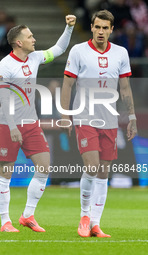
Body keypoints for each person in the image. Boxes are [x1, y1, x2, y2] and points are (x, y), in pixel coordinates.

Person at [0, 15, 76, 232]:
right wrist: (12, 127)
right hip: (7, 124)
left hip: (31, 123)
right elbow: (3, 99)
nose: (34, 39)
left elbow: (58, 49)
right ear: (18, 42)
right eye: (30, 36)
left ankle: (27, 215)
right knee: (6, 172)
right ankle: (5, 222)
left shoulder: (35, 58)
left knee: (44, 167)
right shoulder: (5, 65)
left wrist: (68, 27)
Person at [61, 10, 137, 238]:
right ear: (92, 28)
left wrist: (132, 117)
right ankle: (84, 216)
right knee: (92, 167)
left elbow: (125, 88)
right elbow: (67, 85)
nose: (101, 31)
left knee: (104, 173)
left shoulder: (121, 53)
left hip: (110, 119)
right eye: (97, 27)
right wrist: (66, 114)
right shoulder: (78, 51)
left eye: (106, 28)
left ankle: (95, 223)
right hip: (85, 117)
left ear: (112, 30)